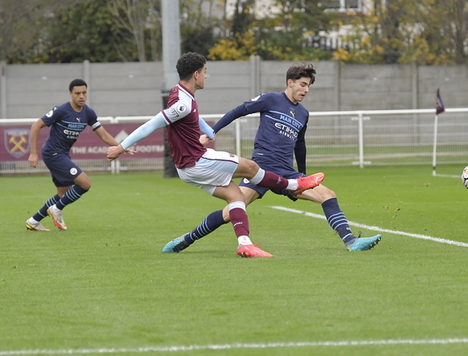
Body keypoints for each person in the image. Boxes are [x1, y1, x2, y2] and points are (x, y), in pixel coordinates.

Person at [107, 52, 325, 258]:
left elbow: (192, 115)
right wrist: (120, 147)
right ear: (196, 75)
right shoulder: (183, 103)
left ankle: (245, 244)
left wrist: (208, 130)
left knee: (235, 197)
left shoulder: (180, 93)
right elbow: (151, 125)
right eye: (204, 71)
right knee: (250, 167)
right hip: (197, 161)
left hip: (186, 168)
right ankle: (294, 185)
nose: (206, 76)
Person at [163, 62, 382, 254]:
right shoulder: (270, 100)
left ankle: (351, 241)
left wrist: (302, 176)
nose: (306, 90)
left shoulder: (303, 114)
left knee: (327, 195)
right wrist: (211, 132)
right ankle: (185, 240)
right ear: (290, 83)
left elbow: (300, 145)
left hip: (287, 171)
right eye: (302, 84)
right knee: (232, 211)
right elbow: (238, 111)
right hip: (260, 168)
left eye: (308, 86)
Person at [25, 79, 127, 232]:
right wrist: (33, 153)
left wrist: (121, 147)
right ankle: (56, 210)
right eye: (77, 93)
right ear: (70, 94)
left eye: (84, 93)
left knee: (63, 194)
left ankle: (34, 221)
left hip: (63, 154)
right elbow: (36, 126)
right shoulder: (61, 110)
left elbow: (104, 135)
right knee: (85, 183)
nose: (81, 96)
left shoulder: (88, 113)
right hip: (53, 153)